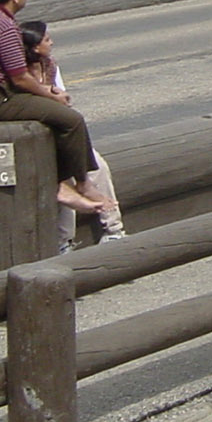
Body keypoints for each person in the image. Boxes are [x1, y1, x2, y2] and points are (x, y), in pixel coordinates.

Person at [0, 0, 102, 201]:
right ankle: (81, 183)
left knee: (55, 111)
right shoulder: (4, 28)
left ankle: (64, 179)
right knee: (71, 120)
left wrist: (45, 90)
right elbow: (20, 77)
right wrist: (51, 96)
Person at [19, 20, 126, 250]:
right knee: (63, 180)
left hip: (62, 134)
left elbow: (63, 100)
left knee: (99, 166)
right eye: (47, 39)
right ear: (35, 47)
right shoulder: (18, 73)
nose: (52, 42)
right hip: (37, 139)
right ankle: (63, 241)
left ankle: (113, 228)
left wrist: (59, 94)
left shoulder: (49, 65)